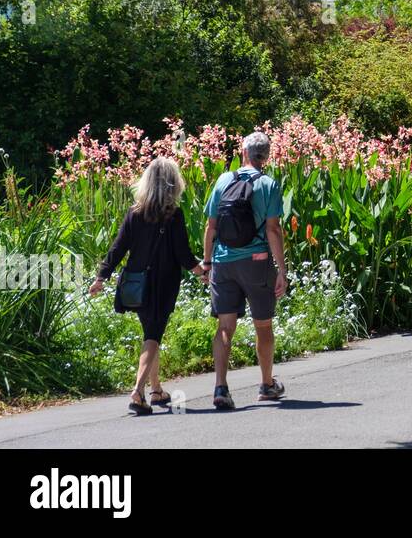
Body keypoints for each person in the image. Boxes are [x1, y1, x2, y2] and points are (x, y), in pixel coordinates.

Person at [90, 157, 206, 416]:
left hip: (136, 283)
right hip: (162, 283)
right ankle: (138, 391)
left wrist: (101, 277)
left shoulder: (135, 212)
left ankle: (156, 390)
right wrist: (202, 273)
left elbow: (118, 247)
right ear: (172, 183)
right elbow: (183, 254)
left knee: (150, 333)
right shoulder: (173, 215)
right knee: (153, 335)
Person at [203, 132, 288, 410]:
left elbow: (211, 226)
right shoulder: (268, 184)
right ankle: (266, 385)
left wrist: (207, 263)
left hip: (223, 262)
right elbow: (273, 229)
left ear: (243, 153)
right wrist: (281, 269)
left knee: (225, 326)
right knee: (263, 325)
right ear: (266, 156)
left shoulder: (223, 180)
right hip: (256, 261)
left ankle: (220, 388)